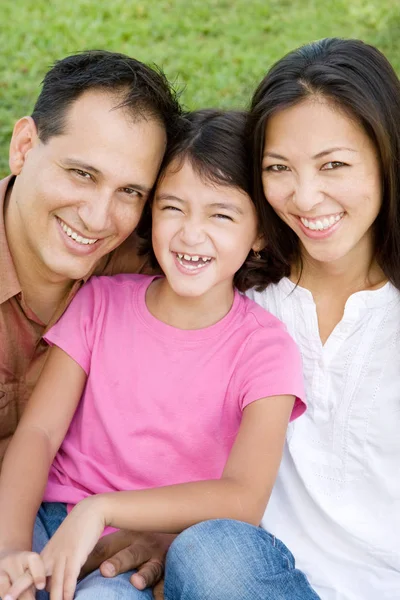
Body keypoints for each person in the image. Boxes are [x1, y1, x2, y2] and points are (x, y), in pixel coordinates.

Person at [100, 38, 400, 600]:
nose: (306, 196)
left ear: (386, 159)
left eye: (334, 165)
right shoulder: (237, 293)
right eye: (279, 168)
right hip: (252, 576)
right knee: (211, 552)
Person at [0, 110, 306, 600]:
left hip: (148, 546)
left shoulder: (265, 348)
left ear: (260, 234)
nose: (190, 234)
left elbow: (244, 498)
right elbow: (38, 432)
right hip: (51, 520)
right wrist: (10, 550)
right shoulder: (100, 302)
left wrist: (102, 509)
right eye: (172, 208)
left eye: (221, 215)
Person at [0, 49, 183, 596]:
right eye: (82, 173)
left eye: (130, 192)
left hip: (84, 530)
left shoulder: (153, 273)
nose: (100, 218)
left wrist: (174, 529)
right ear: (25, 146)